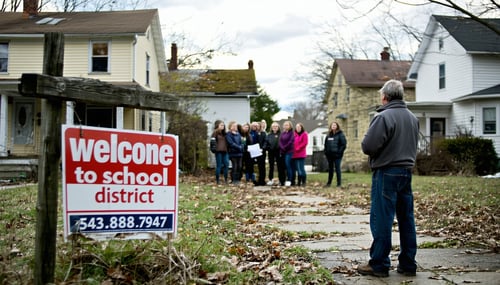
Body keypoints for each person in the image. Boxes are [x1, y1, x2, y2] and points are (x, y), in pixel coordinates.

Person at [358, 79, 419, 278]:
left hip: (386, 171)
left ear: (385, 97)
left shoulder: (383, 116)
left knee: (382, 218)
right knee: (406, 218)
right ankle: (408, 263)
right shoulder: (412, 117)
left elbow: (368, 146)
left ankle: (379, 263)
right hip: (406, 171)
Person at [324, 121, 347, 187]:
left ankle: (339, 183)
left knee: (337, 169)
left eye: (335, 125)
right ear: (331, 126)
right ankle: (329, 183)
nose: (333, 126)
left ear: (337, 126)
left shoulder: (340, 134)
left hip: (337, 156)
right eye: (332, 125)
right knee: (330, 169)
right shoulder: (328, 135)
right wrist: (326, 152)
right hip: (329, 155)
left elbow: (343, 145)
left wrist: (339, 152)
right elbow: (325, 144)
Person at [211, 120, 229, 184]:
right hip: (218, 151)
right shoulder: (215, 133)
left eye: (223, 125)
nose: (223, 126)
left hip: (225, 151)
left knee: (226, 164)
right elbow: (212, 143)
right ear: (217, 126)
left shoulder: (225, 133)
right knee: (219, 165)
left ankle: (226, 179)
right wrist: (214, 150)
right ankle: (218, 180)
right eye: (221, 125)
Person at [226, 121, 244, 185]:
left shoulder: (238, 134)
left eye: (236, 126)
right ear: (230, 127)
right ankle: (233, 179)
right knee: (235, 166)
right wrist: (239, 147)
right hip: (233, 153)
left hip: (240, 153)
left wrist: (241, 146)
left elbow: (241, 142)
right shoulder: (228, 134)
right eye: (233, 126)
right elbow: (231, 143)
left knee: (240, 166)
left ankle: (238, 179)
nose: (235, 127)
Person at [279, 120, 294, 186]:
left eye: (287, 125)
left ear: (290, 126)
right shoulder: (283, 133)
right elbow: (280, 141)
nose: (285, 126)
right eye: (284, 125)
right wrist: (282, 147)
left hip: (289, 152)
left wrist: (285, 147)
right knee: (283, 166)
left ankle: (289, 179)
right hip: (282, 152)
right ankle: (283, 180)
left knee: (288, 165)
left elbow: (291, 142)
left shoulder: (292, 133)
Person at [253, 121, 267, 186]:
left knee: (262, 167)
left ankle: (262, 180)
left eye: (259, 126)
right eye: (257, 126)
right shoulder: (255, 133)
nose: (258, 127)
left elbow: (265, 142)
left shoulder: (263, 133)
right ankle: (258, 180)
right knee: (257, 167)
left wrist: (263, 148)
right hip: (255, 152)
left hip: (261, 152)